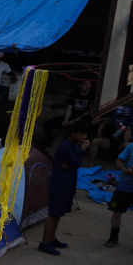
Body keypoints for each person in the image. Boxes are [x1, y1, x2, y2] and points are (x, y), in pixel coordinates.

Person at [39, 123, 89, 255]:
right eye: (82, 134)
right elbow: (75, 164)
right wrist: (83, 151)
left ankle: (52, 238)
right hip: (60, 185)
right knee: (53, 215)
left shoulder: (74, 145)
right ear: (74, 134)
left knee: (58, 215)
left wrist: (77, 157)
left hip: (67, 185)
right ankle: (44, 243)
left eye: (85, 134)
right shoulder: (67, 147)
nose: (84, 137)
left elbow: (73, 164)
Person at [105, 131, 133, 253]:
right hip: (125, 186)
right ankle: (113, 238)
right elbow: (119, 160)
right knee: (117, 213)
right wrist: (125, 170)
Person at [41, 79, 97, 149]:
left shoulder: (92, 94)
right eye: (85, 84)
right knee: (48, 124)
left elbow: (89, 111)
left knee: (71, 132)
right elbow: (69, 108)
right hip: (72, 115)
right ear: (80, 85)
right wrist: (66, 119)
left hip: (83, 118)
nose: (88, 86)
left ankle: (64, 149)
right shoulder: (74, 93)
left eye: (89, 84)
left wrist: (75, 120)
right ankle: (48, 146)